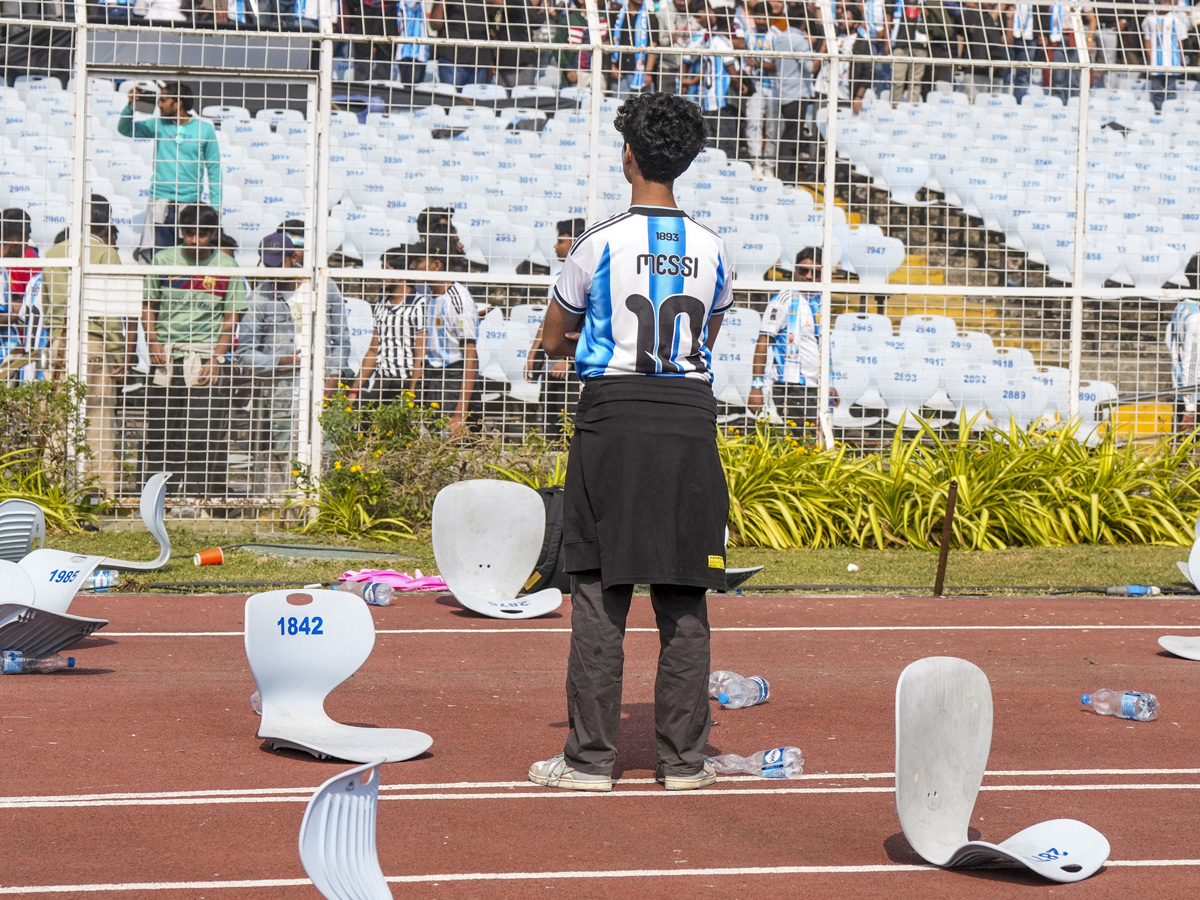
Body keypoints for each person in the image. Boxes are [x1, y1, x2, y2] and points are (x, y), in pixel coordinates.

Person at [528, 91, 732, 793]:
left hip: (613, 415)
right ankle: (682, 763)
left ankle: (588, 761)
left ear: (628, 155)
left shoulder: (598, 241)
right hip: (687, 418)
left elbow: (556, 340)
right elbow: (708, 336)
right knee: (684, 594)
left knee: (596, 588)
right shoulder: (711, 247)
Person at [141, 203, 246, 500]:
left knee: (204, 433)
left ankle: (200, 497)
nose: (193, 241)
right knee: (163, 431)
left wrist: (217, 358)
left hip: (204, 359)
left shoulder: (227, 267)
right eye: (188, 233)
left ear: (212, 234)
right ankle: (163, 498)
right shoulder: (162, 260)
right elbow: (148, 305)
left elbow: (231, 317)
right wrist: (153, 341)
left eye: (201, 235)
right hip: (167, 360)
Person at [42, 196, 129, 494]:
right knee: (98, 422)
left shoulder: (53, 252)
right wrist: (118, 352)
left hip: (60, 345)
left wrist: (55, 341)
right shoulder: (106, 254)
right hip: (93, 344)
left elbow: (46, 305)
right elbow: (110, 312)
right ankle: (99, 492)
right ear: (106, 221)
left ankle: (54, 487)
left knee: (59, 420)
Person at [117, 82, 221, 263]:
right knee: (160, 257)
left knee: (187, 258)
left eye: (164, 100)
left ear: (178, 103)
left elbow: (214, 167)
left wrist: (217, 204)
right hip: (161, 203)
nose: (159, 104)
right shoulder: (158, 125)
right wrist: (131, 105)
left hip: (190, 205)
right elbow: (125, 129)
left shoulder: (204, 129)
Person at [747, 247, 829, 432]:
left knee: (814, 440)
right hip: (791, 386)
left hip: (817, 386)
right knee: (802, 440)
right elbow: (763, 341)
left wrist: (829, 383)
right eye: (803, 271)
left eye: (816, 273)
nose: (809, 276)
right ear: (795, 271)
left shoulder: (821, 300)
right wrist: (756, 386)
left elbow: (822, 348)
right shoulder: (785, 299)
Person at [524, 217, 586, 435]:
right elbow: (550, 319)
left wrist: (567, 360)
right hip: (554, 360)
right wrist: (534, 352)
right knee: (550, 425)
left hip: (574, 364)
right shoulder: (557, 276)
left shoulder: (589, 272)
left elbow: (591, 316)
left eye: (560, 240)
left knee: (569, 425)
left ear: (575, 241)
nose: (555, 245)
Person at [414, 236, 478, 433]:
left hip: (452, 379)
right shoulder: (427, 298)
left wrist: (459, 414)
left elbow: (470, 358)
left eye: (418, 262)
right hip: (431, 377)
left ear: (436, 265)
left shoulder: (459, 300)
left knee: (448, 447)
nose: (413, 266)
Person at [355, 245, 430, 405]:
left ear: (399, 272)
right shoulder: (381, 304)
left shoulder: (419, 305)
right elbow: (373, 351)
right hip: (384, 381)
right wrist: (354, 390)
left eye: (386, 269)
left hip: (407, 381)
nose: (381, 275)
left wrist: (412, 392)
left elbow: (420, 355)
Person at [1143, 0, 1187, 111]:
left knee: (1171, 90)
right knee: (1157, 91)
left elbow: (1180, 41)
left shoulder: (1176, 19)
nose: (1164, 4)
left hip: (1172, 62)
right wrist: (1151, 57)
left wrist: (1181, 58)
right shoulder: (1149, 19)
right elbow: (1147, 40)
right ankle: (1158, 114)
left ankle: (1170, 114)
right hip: (1156, 63)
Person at [1166, 296, 1200, 433]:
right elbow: (1192, 363)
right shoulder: (1196, 317)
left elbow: (1170, 343)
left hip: (1182, 389)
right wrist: (1190, 409)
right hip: (1193, 395)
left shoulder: (1182, 307)